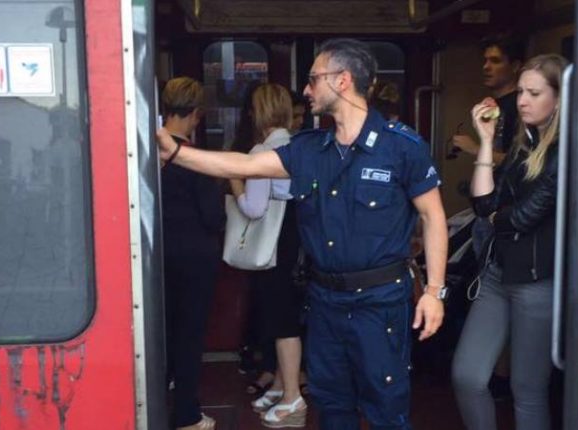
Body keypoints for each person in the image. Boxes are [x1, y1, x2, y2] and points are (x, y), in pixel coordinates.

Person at [157, 38, 449, 430]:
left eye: (314, 79)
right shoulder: (309, 149)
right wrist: (176, 153)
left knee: (385, 407)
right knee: (332, 405)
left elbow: (433, 217)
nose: (307, 90)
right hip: (324, 300)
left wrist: (434, 293)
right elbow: (242, 164)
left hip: (380, 302)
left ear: (343, 80)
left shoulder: (403, 147)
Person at [451, 54, 568, 430]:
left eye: (534, 93)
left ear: (560, 98)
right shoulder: (523, 145)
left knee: (527, 390)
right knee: (467, 376)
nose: (522, 101)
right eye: (520, 92)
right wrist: (484, 143)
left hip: (537, 283)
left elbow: (520, 218)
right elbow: (484, 204)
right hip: (497, 275)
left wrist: (499, 217)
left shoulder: (566, 151)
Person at [228, 83, 307, 427]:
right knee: (287, 314)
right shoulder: (302, 147)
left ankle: (292, 396)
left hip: (274, 244)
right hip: (297, 241)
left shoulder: (262, 150)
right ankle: (280, 385)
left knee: (281, 319)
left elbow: (255, 208)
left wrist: (235, 182)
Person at [160, 76, 225, 430]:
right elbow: (213, 216)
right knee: (189, 337)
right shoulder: (193, 160)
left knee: (165, 332)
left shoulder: (146, 153)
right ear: (196, 114)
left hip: (159, 256)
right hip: (195, 258)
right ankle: (187, 415)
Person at [452, 33, 526, 164]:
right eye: (485, 61)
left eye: (495, 61)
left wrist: (475, 149)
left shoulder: (521, 107)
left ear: (515, 66)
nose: (486, 67)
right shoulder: (496, 104)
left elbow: (521, 163)